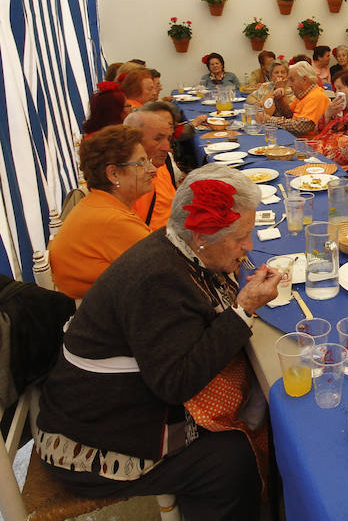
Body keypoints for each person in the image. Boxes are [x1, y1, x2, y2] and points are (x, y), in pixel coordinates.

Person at [37, 164, 281, 520]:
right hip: (89, 441)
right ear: (201, 236)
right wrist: (243, 310)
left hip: (104, 402)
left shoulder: (176, 247)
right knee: (231, 458)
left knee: (252, 402)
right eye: (240, 236)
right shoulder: (157, 280)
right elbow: (174, 382)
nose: (249, 245)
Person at [49, 126, 153, 299]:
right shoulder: (113, 221)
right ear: (113, 174)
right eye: (141, 163)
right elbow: (169, 269)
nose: (152, 169)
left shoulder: (97, 204)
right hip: (107, 317)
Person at [126, 111, 175, 230]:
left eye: (168, 139)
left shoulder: (161, 163)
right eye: (158, 139)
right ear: (135, 142)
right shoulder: (129, 182)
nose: (167, 148)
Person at [267, 61, 330, 137]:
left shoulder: (317, 96)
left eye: (292, 80)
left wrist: (268, 119)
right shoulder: (303, 95)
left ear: (304, 80)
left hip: (308, 145)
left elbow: (300, 127)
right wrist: (279, 100)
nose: (289, 85)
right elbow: (289, 114)